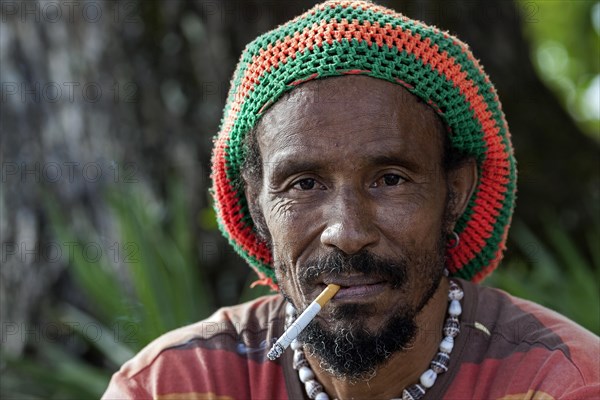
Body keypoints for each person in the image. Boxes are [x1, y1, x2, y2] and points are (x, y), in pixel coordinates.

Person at [102, 1, 599, 399]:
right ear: (256, 206)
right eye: (304, 184)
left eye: (390, 179)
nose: (348, 232)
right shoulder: (169, 386)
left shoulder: (564, 382)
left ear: (455, 194)